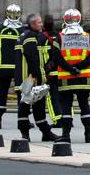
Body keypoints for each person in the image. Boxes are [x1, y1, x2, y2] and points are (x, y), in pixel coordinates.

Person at [50, 8, 90, 143]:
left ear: (65, 20)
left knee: (66, 107)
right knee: (84, 105)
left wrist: (70, 68)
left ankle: (66, 135)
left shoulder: (60, 37)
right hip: (83, 77)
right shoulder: (86, 36)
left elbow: (56, 57)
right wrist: (79, 67)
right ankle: (88, 134)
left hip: (66, 77)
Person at [15, 13, 57, 142]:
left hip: (25, 78)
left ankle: (45, 132)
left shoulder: (23, 35)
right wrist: (40, 77)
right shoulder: (30, 37)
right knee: (26, 106)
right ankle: (26, 134)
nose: (42, 24)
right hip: (30, 79)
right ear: (33, 24)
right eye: (39, 22)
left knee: (35, 106)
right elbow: (32, 59)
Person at [0, 3, 23, 130]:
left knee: (2, 94)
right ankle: (22, 121)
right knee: (21, 95)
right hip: (18, 69)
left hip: (3, 68)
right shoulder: (23, 31)